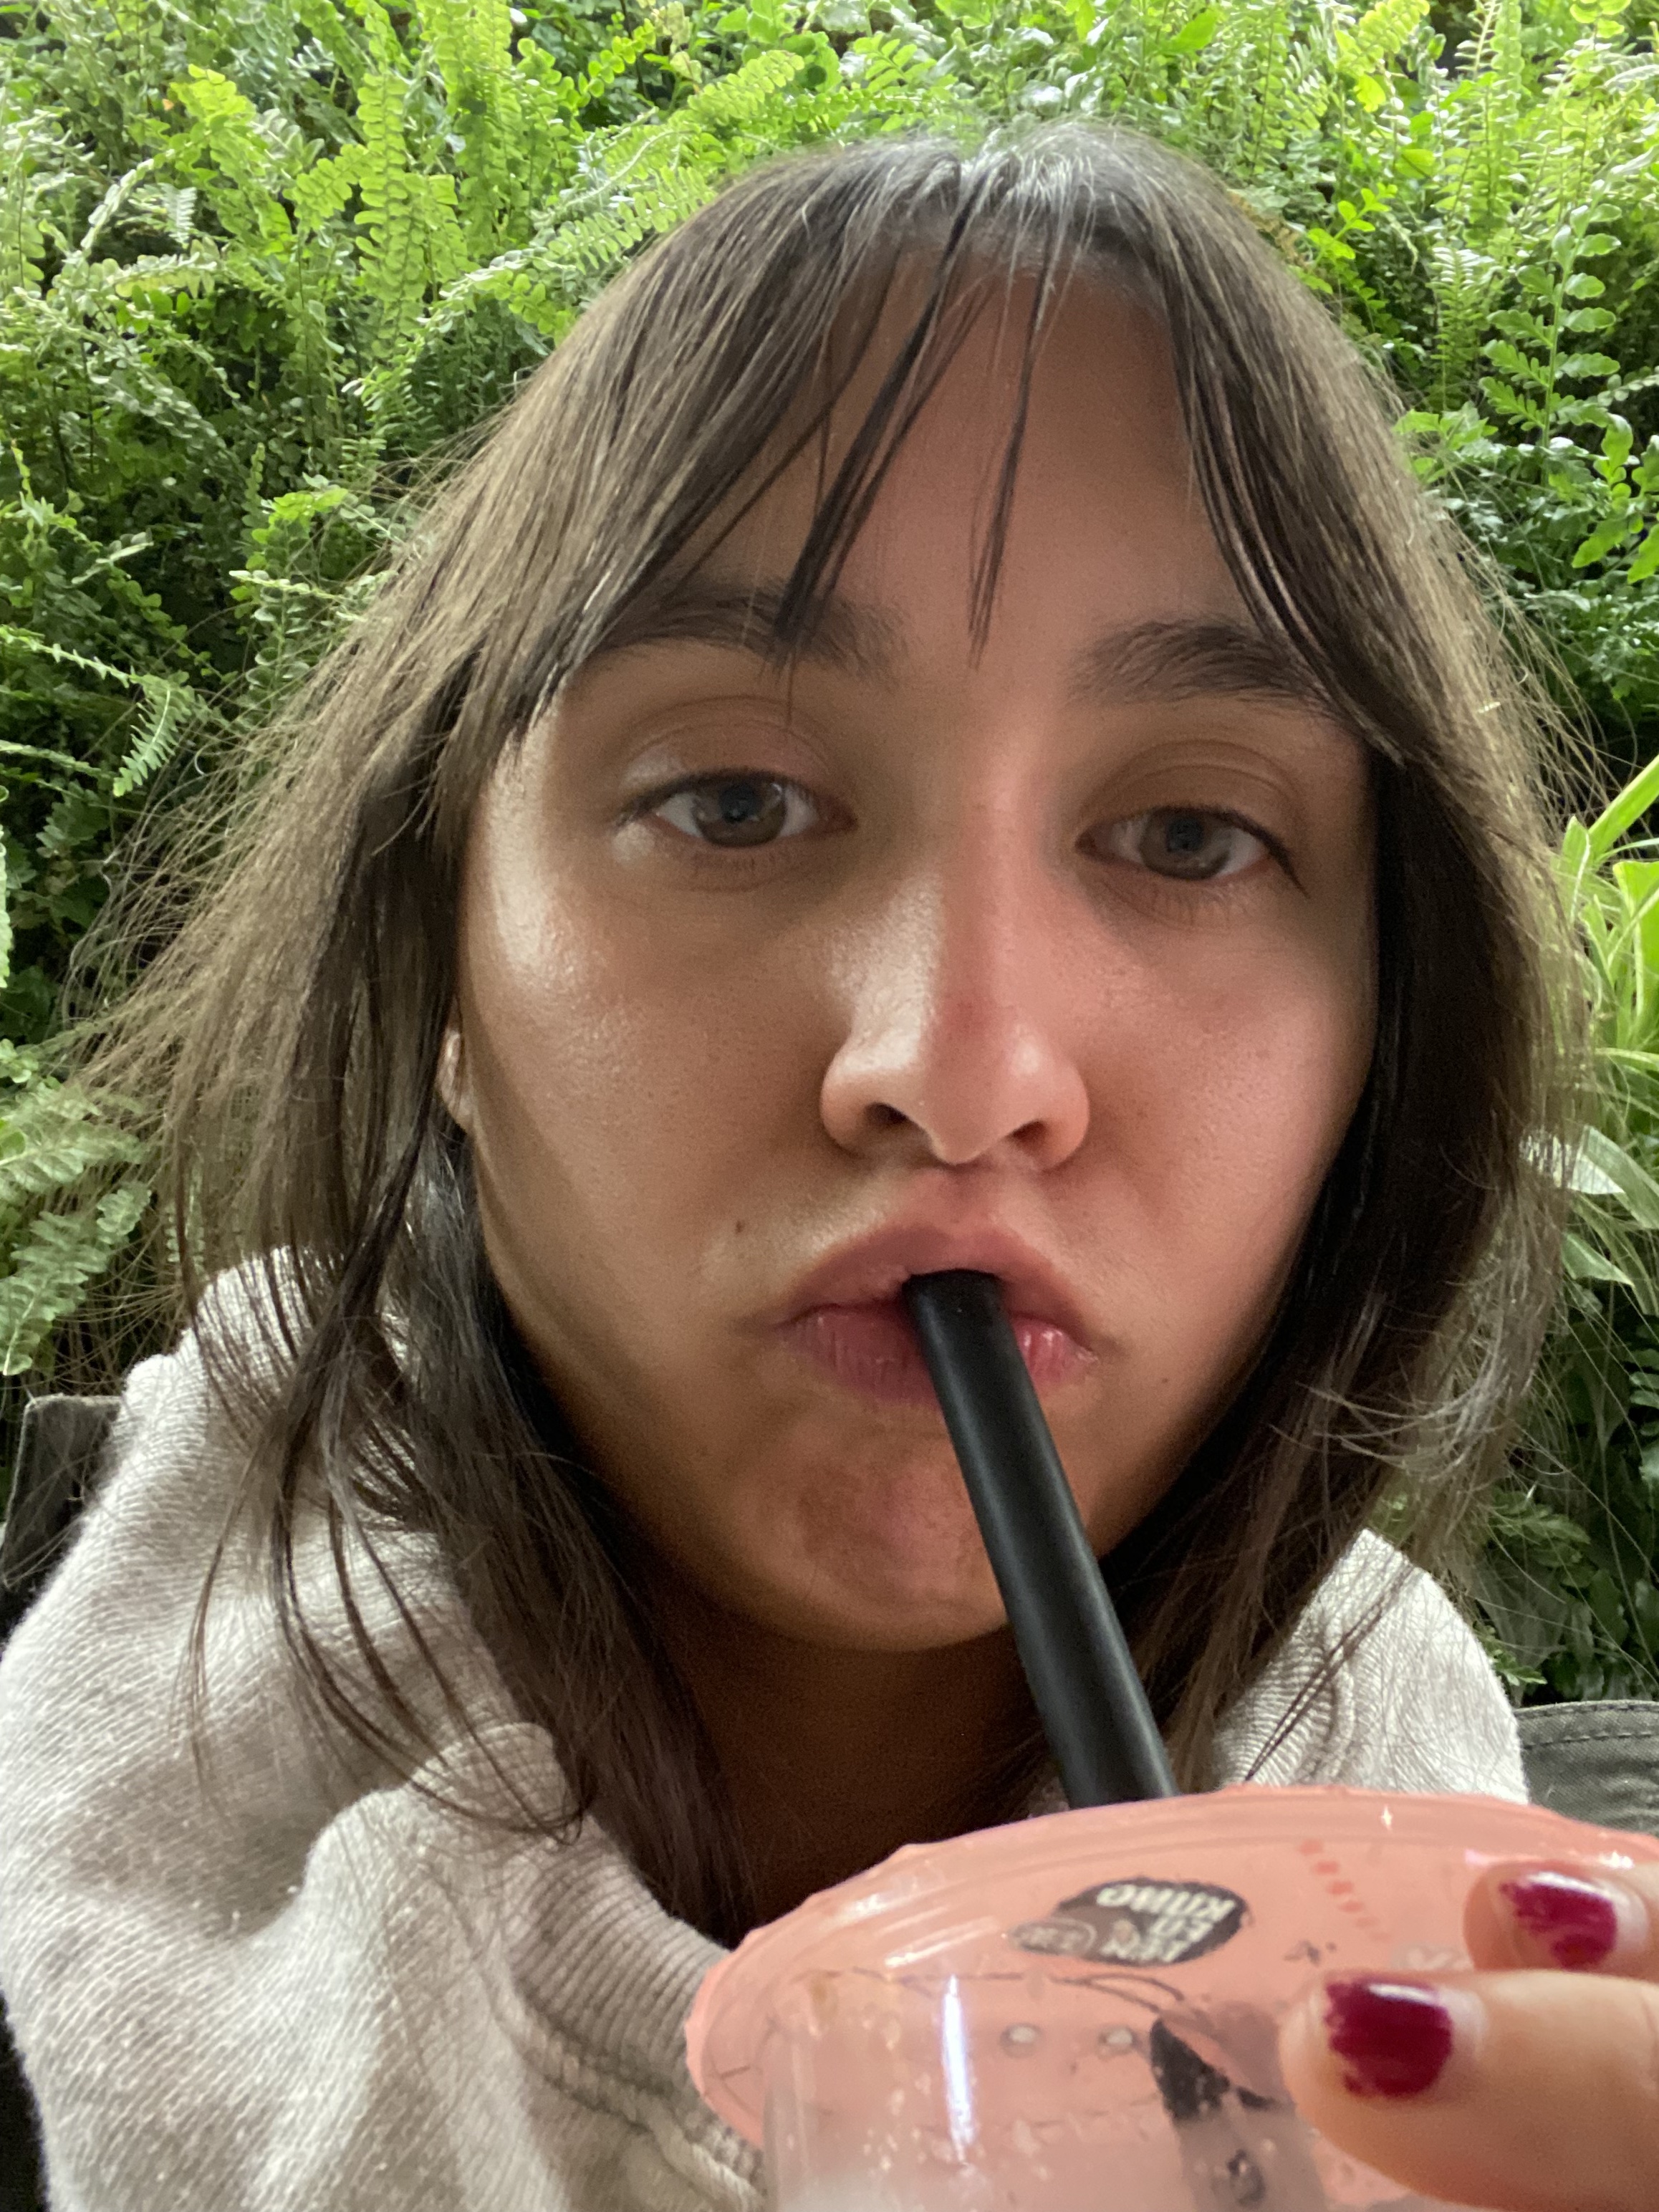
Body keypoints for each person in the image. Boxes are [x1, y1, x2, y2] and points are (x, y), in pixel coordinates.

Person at [0, 122, 1652, 2212]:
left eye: (1186, 837)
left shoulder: (1421, 1853)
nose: (958, 1073)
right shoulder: (99, 1823)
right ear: (442, 973)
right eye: (734, 800)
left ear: (1374, 1046)